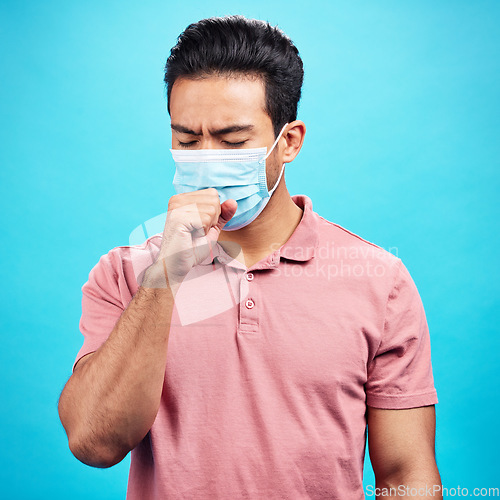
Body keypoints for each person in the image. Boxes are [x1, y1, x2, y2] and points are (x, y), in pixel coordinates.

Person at [58, 15, 441, 499]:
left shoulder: (379, 280)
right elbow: (94, 442)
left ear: (290, 143)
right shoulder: (123, 274)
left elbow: (406, 476)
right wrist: (165, 276)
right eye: (187, 140)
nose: (207, 158)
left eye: (233, 141)